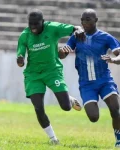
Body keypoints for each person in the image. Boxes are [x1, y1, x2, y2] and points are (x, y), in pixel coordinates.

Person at [16, 9, 85, 144]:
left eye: (36, 24)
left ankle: (69, 100)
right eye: (31, 24)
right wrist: (20, 59)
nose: (33, 27)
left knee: (65, 107)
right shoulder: (25, 35)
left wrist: (78, 29)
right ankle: (53, 139)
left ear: (43, 22)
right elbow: (20, 54)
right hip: (33, 75)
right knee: (38, 108)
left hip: (52, 71)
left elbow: (73, 28)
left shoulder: (52, 28)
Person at [60, 8, 120, 147]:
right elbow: (62, 54)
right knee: (93, 117)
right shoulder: (76, 37)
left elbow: (119, 54)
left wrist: (114, 60)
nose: (84, 22)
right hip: (86, 83)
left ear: (96, 21)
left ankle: (119, 138)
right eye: (82, 20)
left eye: (87, 19)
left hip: (104, 80)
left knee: (115, 108)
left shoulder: (106, 37)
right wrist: (62, 51)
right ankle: (71, 100)